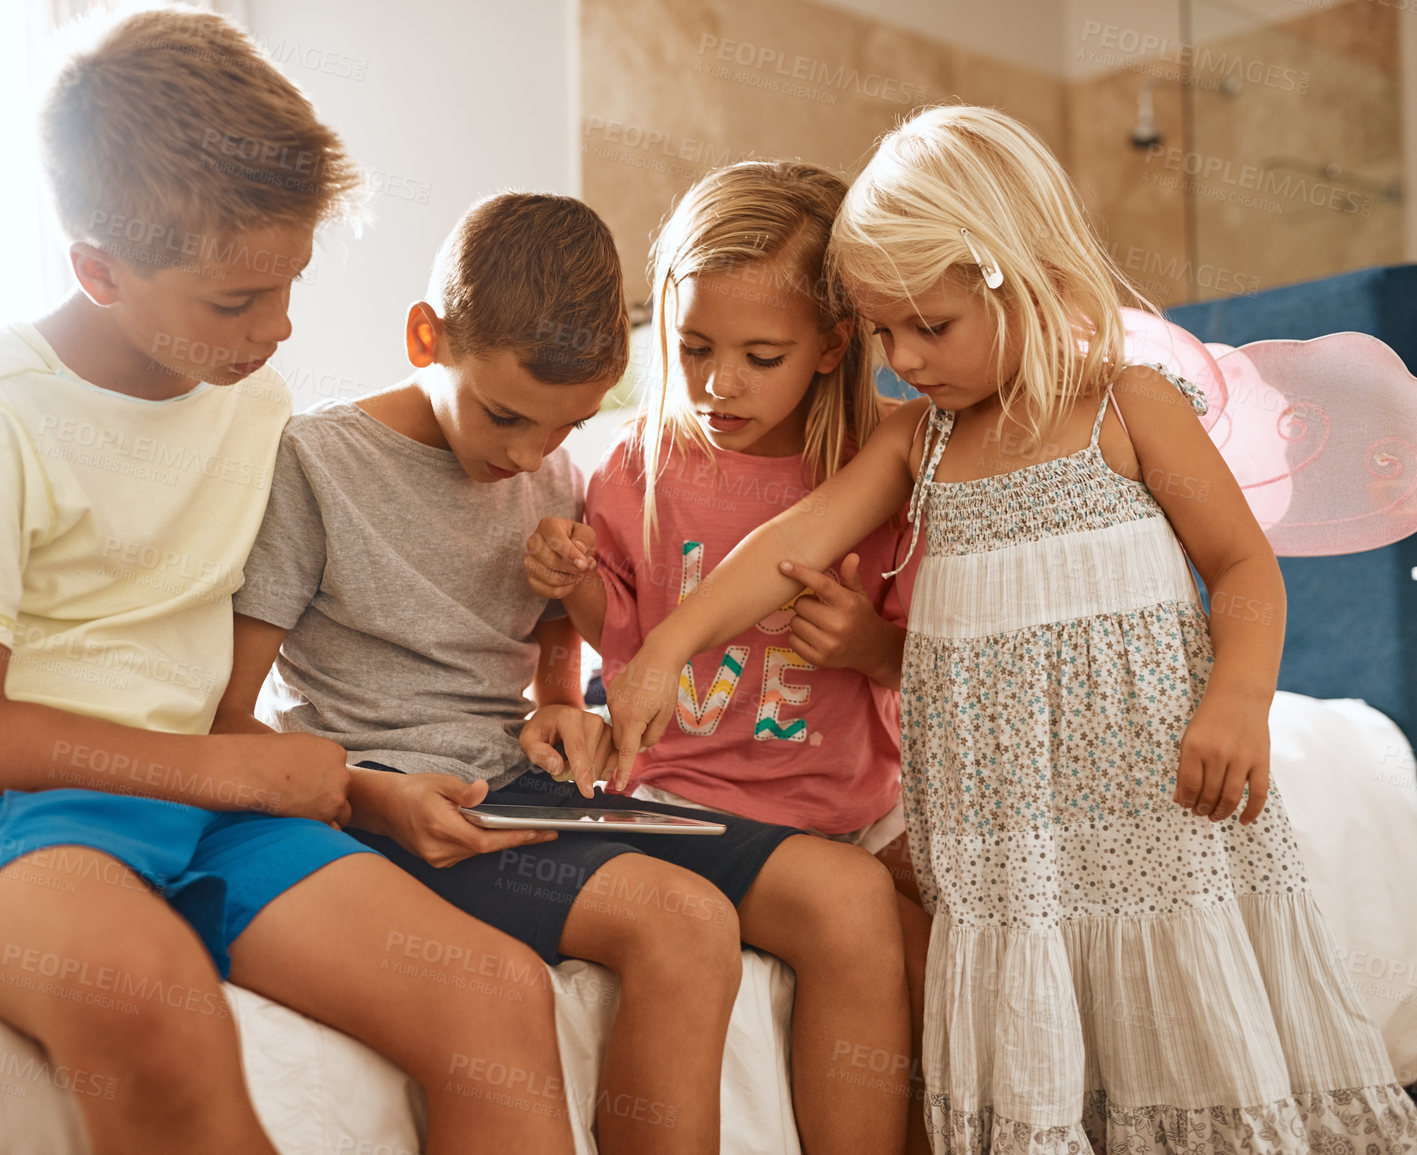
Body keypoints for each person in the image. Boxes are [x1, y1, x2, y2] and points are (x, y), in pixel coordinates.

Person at [606, 105, 1417, 1153]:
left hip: (1147, 809)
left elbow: (1243, 569)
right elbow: (791, 542)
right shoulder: (919, 440)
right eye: (885, 333)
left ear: (1025, 274)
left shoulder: (1131, 410)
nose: (905, 359)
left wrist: (1238, 702)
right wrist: (666, 652)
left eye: (931, 328)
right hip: (1002, 834)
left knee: (1178, 1043)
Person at [0, 12, 575, 1154]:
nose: (277, 331)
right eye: (235, 303)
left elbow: (222, 687)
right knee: (153, 1001)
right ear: (98, 269)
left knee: (498, 999)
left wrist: (356, 787)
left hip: (201, 808)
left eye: (291, 286)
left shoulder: (255, 402)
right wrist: (231, 769)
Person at [216, 190, 913, 1154]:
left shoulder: (551, 471)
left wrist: (558, 710)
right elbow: (225, 719)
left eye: (562, 428)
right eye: (506, 417)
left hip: (518, 788)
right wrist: (370, 794)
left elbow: (554, 663)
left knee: (809, 902)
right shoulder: (317, 460)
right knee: (680, 923)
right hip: (390, 797)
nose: (528, 454)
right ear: (425, 337)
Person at [522, 159, 932, 1152]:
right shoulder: (642, 466)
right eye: (695, 346)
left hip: (837, 805)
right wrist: (572, 579)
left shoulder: (877, 478)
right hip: (677, 800)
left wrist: (872, 645)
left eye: (760, 355)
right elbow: (625, 643)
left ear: (834, 345)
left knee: (944, 941)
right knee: (852, 919)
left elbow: (933, 664)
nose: (717, 382)